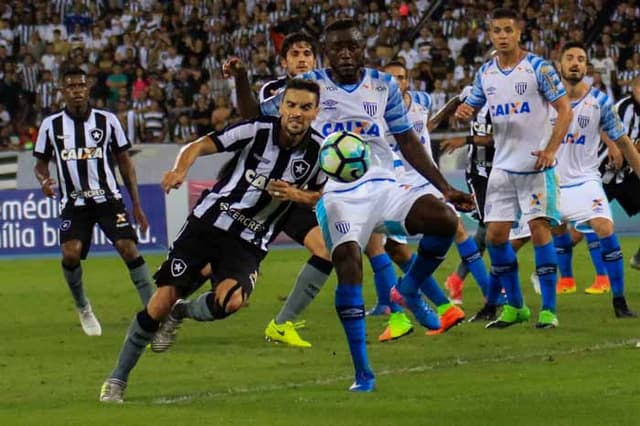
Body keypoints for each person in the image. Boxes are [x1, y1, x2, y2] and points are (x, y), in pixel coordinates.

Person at [250, 19, 473, 391]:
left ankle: (410, 289)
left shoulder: (382, 85)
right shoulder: (311, 87)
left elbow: (407, 140)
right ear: (327, 51)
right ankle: (363, 373)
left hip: (384, 180)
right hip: (336, 191)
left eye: (352, 46)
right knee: (349, 264)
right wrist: (243, 80)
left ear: (362, 48)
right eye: (337, 48)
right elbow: (259, 116)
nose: (346, 54)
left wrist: (443, 187)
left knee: (445, 221)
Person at [99, 79, 327, 403]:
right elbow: (198, 145)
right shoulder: (256, 130)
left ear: (315, 111)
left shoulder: (321, 151)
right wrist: (180, 170)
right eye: (291, 105)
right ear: (282, 106)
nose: (297, 113)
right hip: (208, 224)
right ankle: (117, 379)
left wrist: (295, 195)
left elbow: (319, 194)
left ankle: (183, 312)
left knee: (231, 302)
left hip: (249, 240)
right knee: (158, 303)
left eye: (305, 107)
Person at [455, 8, 573, 329]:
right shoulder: (486, 73)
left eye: (508, 29)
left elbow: (564, 110)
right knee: (495, 238)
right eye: (497, 30)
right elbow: (474, 104)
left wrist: (551, 150)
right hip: (502, 168)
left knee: (538, 231)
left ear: (519, 32)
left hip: (536, 165)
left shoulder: (539, 68)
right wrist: (465, 111)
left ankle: (548, 310)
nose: (503, 36)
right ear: (490, 35)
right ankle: (517, 307)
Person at [509, 42, 639, 318]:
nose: (576, 63)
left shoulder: (600, 102)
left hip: (584, 181)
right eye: (570, 58)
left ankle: (619, 301)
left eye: (581, 58)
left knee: (604, 227)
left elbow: (625, 143)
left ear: (586, 66)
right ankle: (498, 300)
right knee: (510, 241)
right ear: (559, 64)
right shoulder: (542, 101)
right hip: (547, 180)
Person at [33, 68, 153, 337]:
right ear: (63, 92)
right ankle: (83, 308)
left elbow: (125, 162)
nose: (76, 90)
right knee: (71, 253)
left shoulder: (107, 120)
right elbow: (40, 164)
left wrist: (136, 203)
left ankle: (154, 310)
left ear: (88, 89)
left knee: (128, 249)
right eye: (71, 86)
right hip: (74, 203)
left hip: (108, 198)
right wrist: (44, 180)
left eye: (81, 85)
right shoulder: (50, 126)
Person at [380, 62, 493, 323]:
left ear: (408, 81)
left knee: (458, 228)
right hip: (394, 183)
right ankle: (417, 305)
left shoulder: (422, 100)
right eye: (390, 78)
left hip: (426, 177)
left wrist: (451, 109)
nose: (396, 82)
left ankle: (489, 295)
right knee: (394, 250)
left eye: (400, 77)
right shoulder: (376, 111)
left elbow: (432, 120)